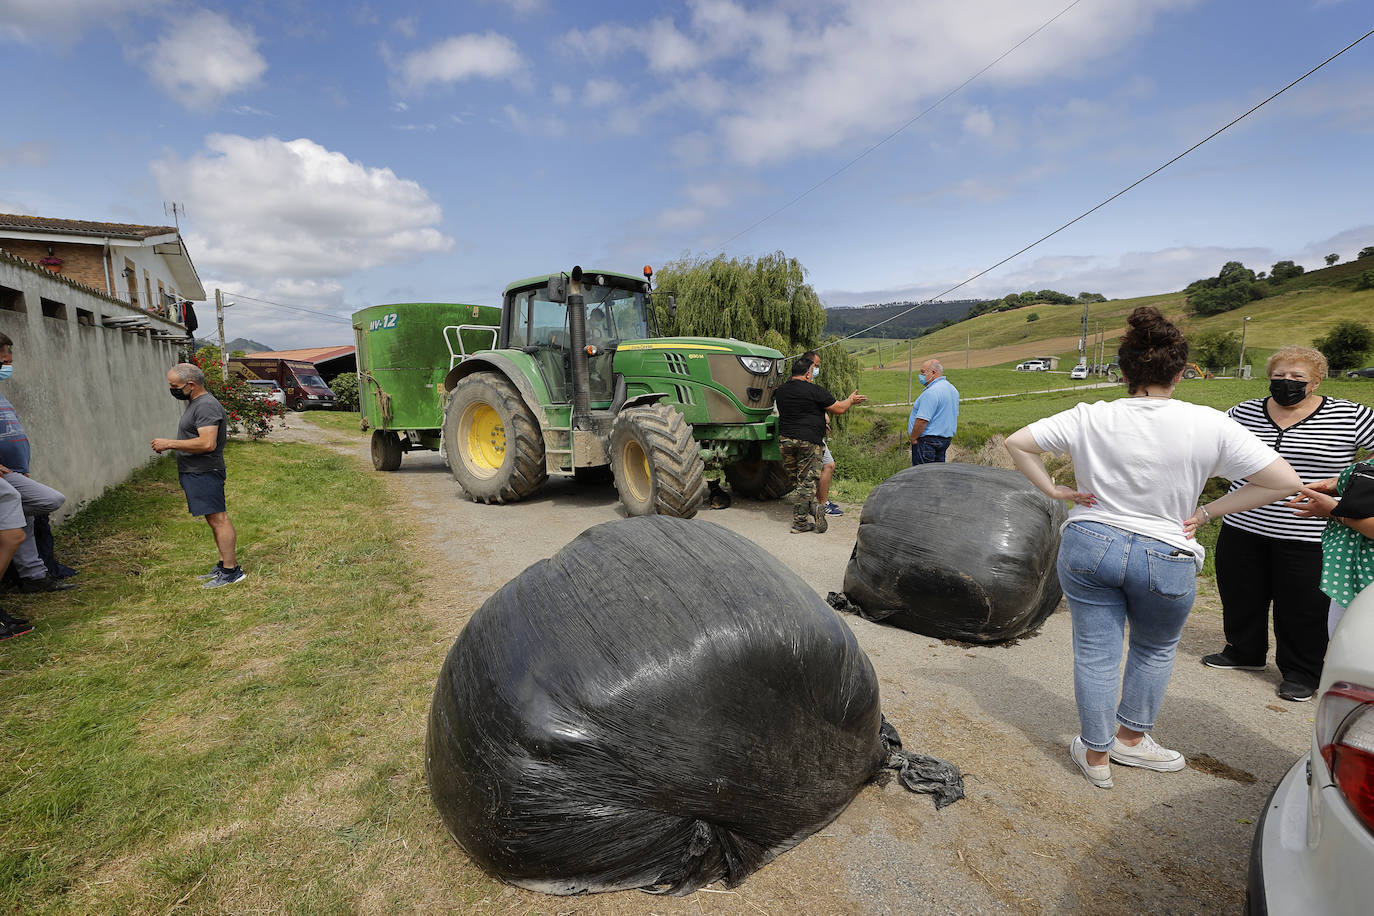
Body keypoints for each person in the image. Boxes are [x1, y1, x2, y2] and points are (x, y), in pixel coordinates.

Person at [1005, 307, 1300, 789]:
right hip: (1167, 549)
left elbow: (1020, 443)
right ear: (1181, 372)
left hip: (1091, 540)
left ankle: (1096, 756)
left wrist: (1055, 491)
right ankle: (1132, 741)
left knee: (1096, 654)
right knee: (1155, 649)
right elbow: (1282, 480)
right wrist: (1207, 513)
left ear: (1122, 372)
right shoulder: (1210, 423)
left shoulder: (1090, 416)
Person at [1202, 346, 1374, 702]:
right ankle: (1243, 651)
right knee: (1240, 593)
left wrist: (1348, 485)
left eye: (1297, 378)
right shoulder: (1243, 412)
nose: (1286, 383)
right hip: (1244, 523)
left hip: (1309, 531)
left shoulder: (1351, 415)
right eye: (1279, 376)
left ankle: (1301, 671)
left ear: (1316, 382)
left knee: (1303, 606)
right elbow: (1206, 443)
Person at [152, 363, 247, 588]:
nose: (172, 389)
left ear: (191, 385)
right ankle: (225, 564)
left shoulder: (205, 406)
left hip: (204, 471)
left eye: (174, 386)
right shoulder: (196, 403)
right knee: (213, 519)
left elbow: (207, 443)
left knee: (219, 519)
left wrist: (169, 444)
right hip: (195, 471)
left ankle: (232, 571)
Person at [0, 333, 74, 595]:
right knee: (50, 501)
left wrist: (22, 464)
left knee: (24, 523)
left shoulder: (1, 395)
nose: (9, 359)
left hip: (16, 470)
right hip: (6, 476)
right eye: (4, 353)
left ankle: (34, 576)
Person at [773, 352, 865, 534]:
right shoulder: (814, 390)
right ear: (808, 373)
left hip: (786, 441)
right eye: (814, 369)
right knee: (807, 483)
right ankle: (800, 523)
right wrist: (851, 400)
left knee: (799, 481)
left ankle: (814, 507)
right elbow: (838, 409)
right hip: (809, 442)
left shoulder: (781, 391)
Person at [1287, 458, 1374, 637]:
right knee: (1341, 648)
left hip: (1368, 577)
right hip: (1354, 574)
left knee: (1356, 653)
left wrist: (1334, 511)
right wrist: (1335, 484)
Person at [908, 359, 959, 465]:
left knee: (922, 476)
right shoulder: (953, 390)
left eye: (923, 372)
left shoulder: (931, 392)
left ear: (933, 373)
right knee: (937, 474)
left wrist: (913, 438)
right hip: (945, 439)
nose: (920, 376)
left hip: (927, 441)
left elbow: (922, 420)